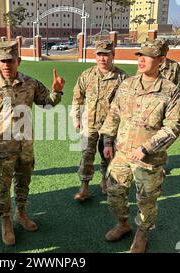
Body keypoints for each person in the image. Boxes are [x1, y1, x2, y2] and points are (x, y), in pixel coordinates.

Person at [0, 41, 65, 246]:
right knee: (2, 187)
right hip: (1, 149)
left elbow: (47, 104)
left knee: (23, 182)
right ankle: (5, 220)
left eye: (11, 61)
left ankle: (21, 213)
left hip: (25, 147)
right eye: (3, 61)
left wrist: (57, 92)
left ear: (19, 61)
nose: (7, 64)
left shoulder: (30, 83)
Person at [100, 39, 180, 253]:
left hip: (149, 160)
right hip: (122, 153)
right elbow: (114, 112)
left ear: (161, 60)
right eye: (139, 55)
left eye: (147, 56)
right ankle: (123, 223)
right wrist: (108, 141)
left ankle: (142, 233)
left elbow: (173, 127)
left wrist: (146, 148)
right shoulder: (127, 84)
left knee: (146, 201)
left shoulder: (170, 91)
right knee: (114, 193)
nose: (141, 59)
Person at [71, 40, 128, 202]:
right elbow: (78, 97)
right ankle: (84, 187)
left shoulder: (122, 77)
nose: (102, 58)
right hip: (89, 124)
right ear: (95, 56)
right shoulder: (87, 75)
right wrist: (76, 117)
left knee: (108, 156)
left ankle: (106, 182)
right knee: (86, 156)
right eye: (99, 55)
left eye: (106, 55)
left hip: (111, 127)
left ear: (113, 55)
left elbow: (127, 104)